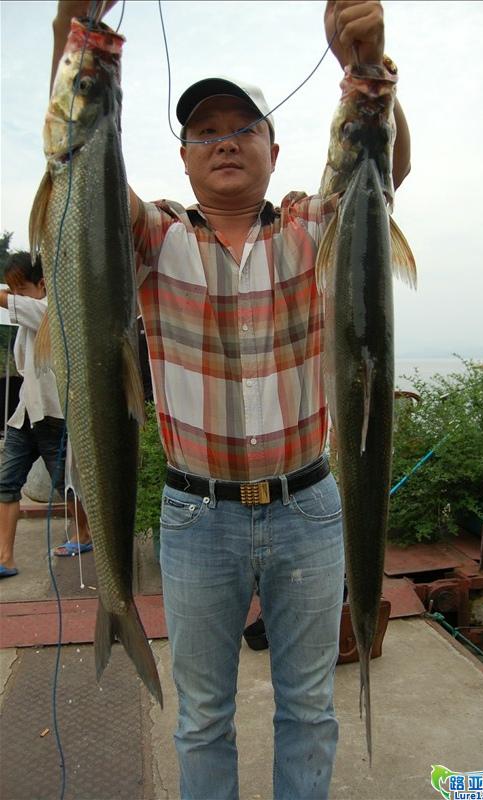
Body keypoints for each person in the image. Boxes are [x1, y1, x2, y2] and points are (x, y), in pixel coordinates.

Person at [51, 1, 411, 797]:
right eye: (204, 131)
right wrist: (69, 26)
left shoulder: (311, 228)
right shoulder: (153, 237)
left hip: (309, 509)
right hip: (196, 518)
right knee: (202, 715)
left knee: (308, 708)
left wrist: (370, 74)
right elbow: (80, 168)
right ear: (182, 158)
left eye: (242, 128)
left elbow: (382, 172)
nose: (223, 141)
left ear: (273, 150)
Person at [0, 251, 92, 577]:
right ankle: (5, 557)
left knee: (65, 484)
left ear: (42, 284)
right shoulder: (29, 313)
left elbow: (10, 303)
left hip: (54, 416)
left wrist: (8, 295)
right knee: (6, 482)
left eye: (21, 289)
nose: (17, 296)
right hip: (25, 413)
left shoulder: (51, 309)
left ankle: (84, 533)